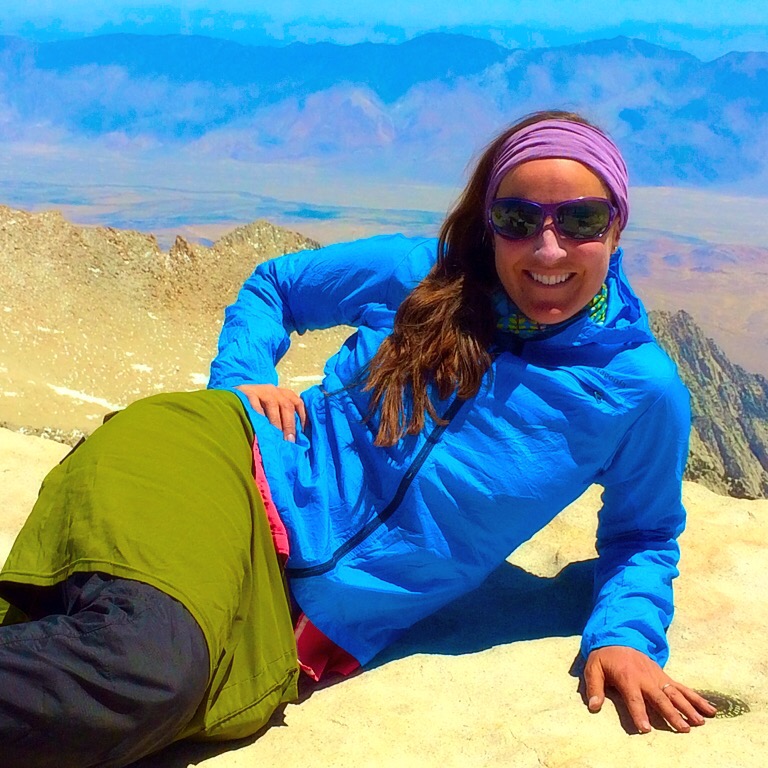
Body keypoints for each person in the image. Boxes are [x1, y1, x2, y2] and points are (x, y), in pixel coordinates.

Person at [0, 110, 716, 768]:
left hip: (288, 611)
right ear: (489, 221)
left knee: (132, 696)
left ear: (617, 227)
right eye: (518, 218)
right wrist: (243, 377)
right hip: (225, 471)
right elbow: (275, 286)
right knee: (140, 670)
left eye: (581, 219)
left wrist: (625, 635)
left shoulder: (639, 390)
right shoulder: (427, 275)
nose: (548, 247)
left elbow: (644, 535)